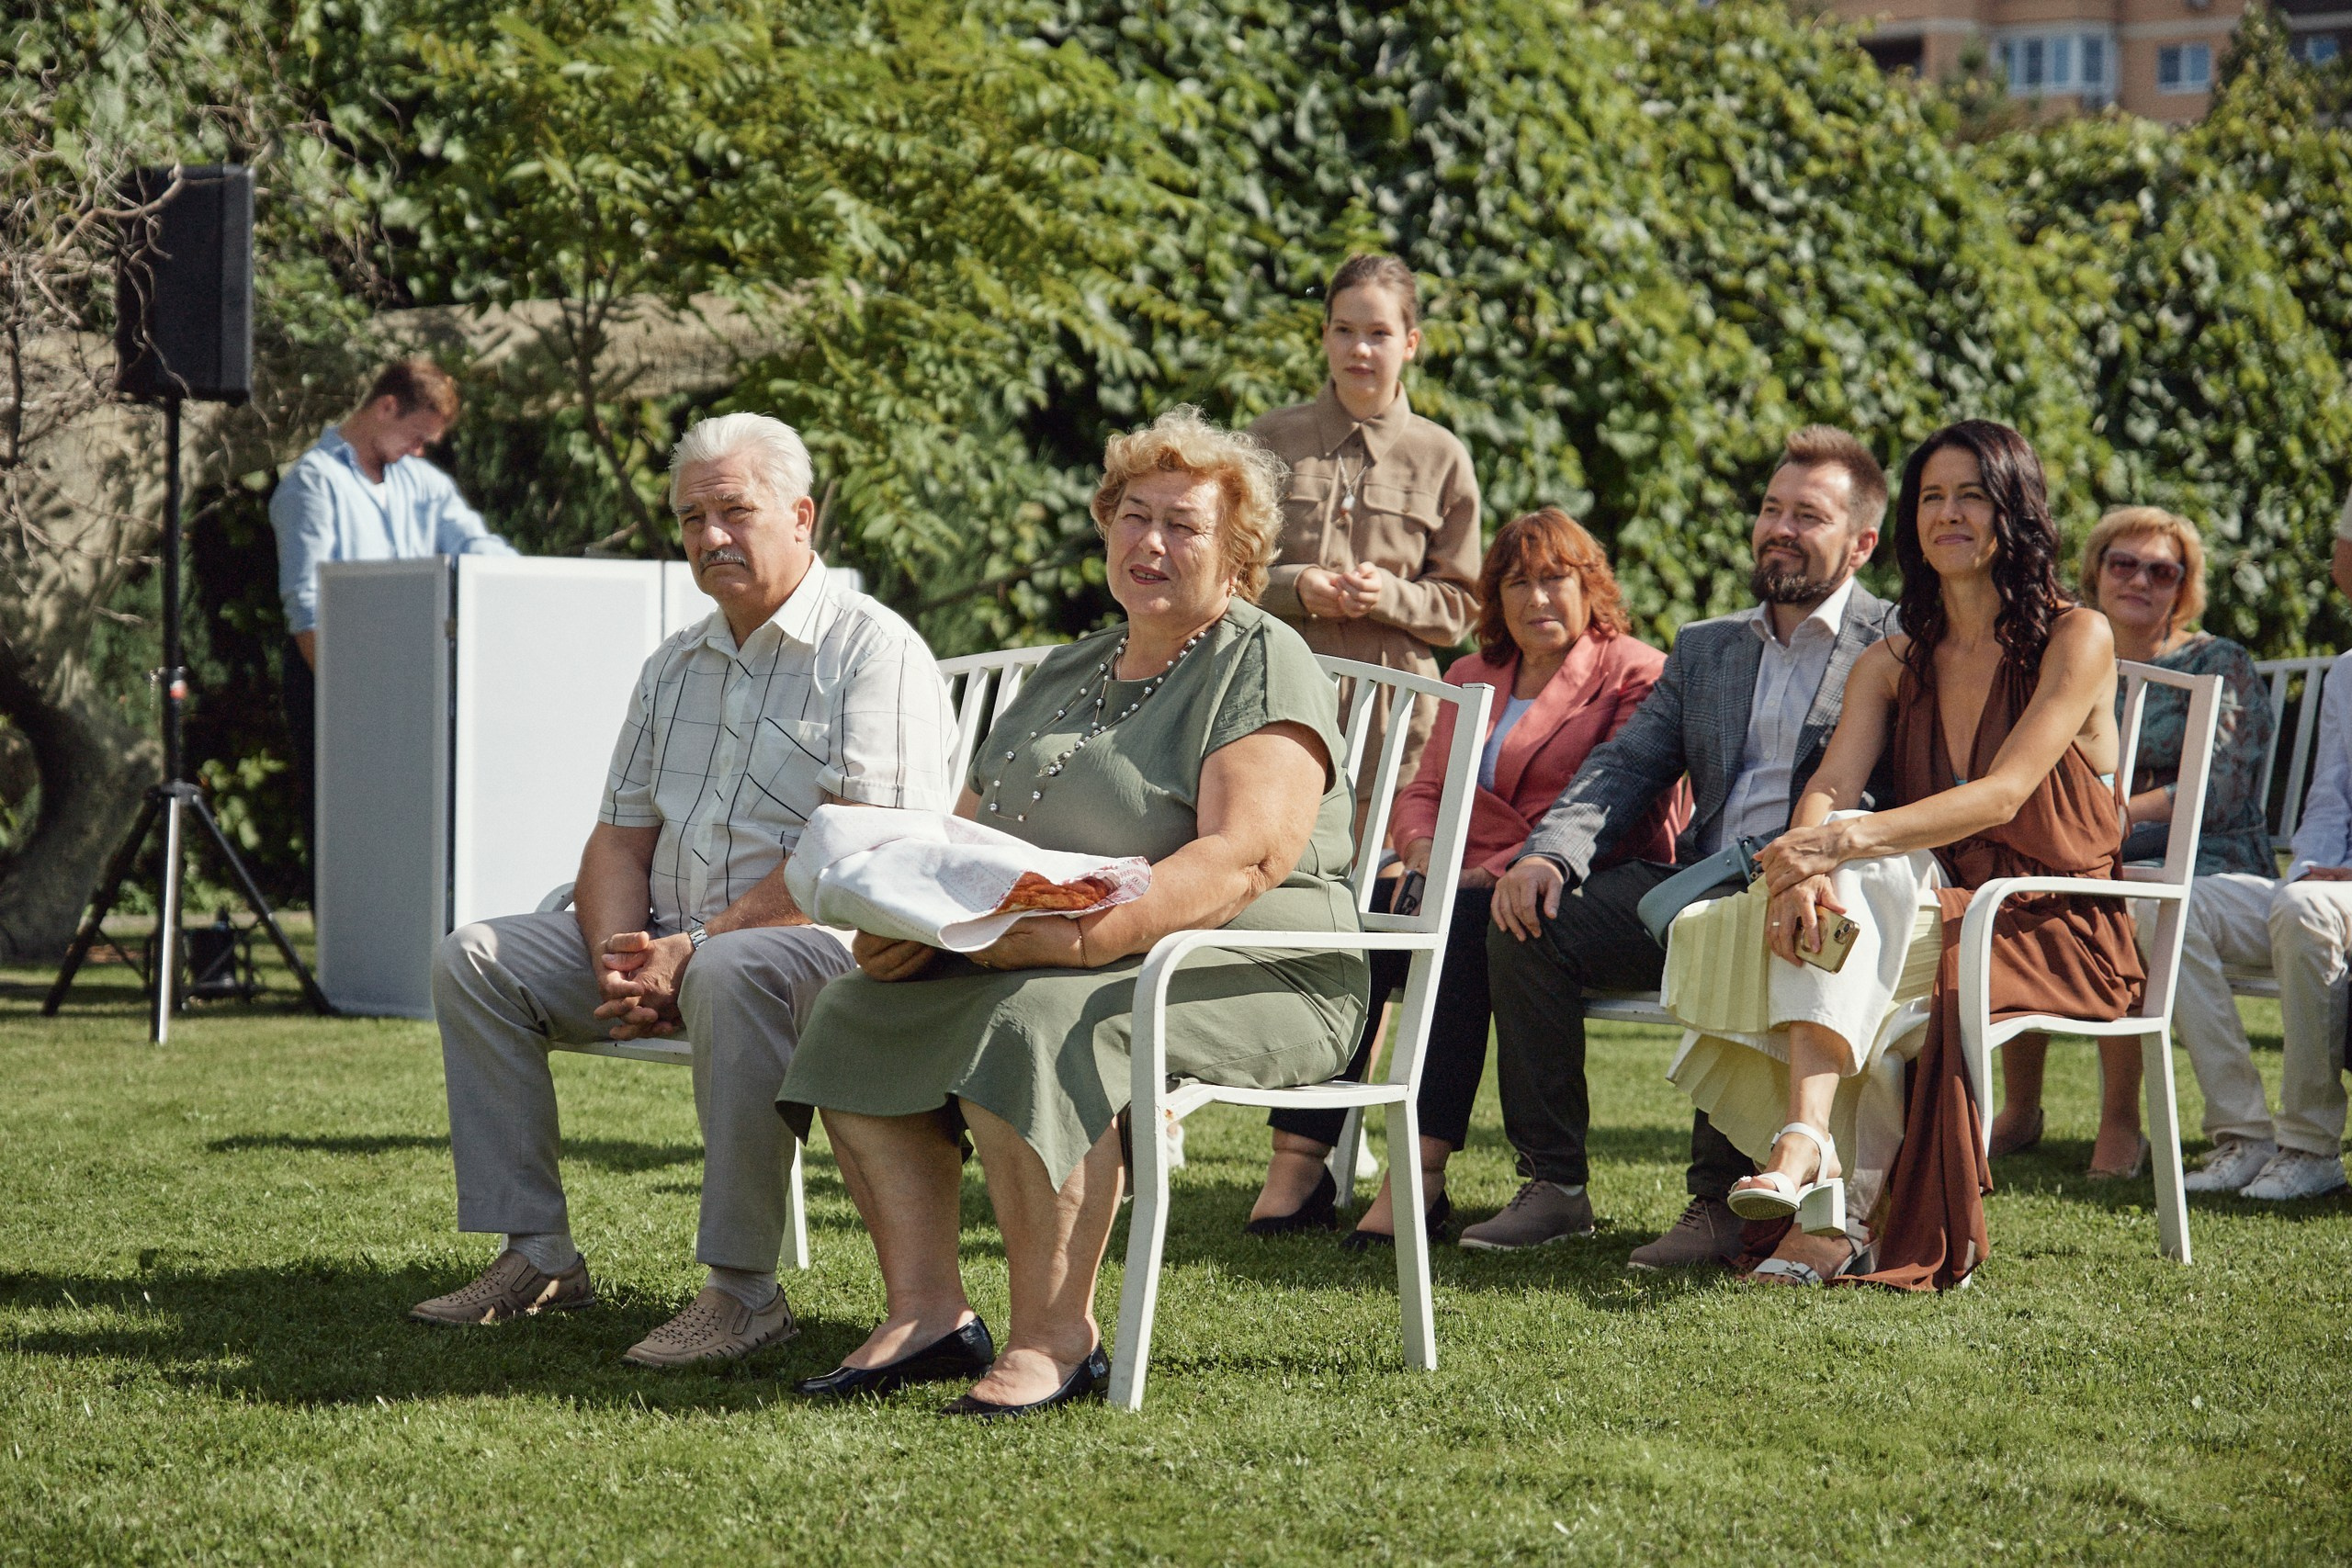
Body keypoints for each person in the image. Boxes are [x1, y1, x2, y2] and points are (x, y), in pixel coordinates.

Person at [776, 406, 1367, 1416]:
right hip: (1051, 953)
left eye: (1183, 526)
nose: (1150, 543)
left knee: (1039, 1022)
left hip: (1254, 964)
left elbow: (1243, 858)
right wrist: (911, 922)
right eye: (1133, 517)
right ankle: (925, 1316)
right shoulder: (1066, 669)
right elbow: (960, 842)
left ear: (1237, 552)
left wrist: (1088, 937)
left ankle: (1056, 1339)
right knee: (852, 1013)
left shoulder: (1258, 659)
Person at [409, 413, 959, 1368]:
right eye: (690, 517)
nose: (710, 537)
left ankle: (743, 1294)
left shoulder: (874, 650)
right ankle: (536, 1254)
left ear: (801, 515)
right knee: (479, 957)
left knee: (732, 970)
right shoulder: (674, 662)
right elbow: (619, 837)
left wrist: (693, 949)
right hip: (675, 942)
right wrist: (622, 958)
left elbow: (865, 852)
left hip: (829, 950)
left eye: (734, 512)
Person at [1684, 418, 2144, 1289]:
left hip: (2052, 921)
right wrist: (1809, 860)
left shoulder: (2075, 638)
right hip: (1939, 909)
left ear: (2016, 509)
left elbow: (2004, 795)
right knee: (1863, 905)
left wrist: (1838, 840)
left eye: (1973, 494)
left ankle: (1827, 1197)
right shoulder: (1892, 658)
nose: (1950, 513)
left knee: (1873, 906)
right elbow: (1829, 782)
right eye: (1933, 496)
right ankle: (1812, 1154)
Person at [1463, 426, 1894, 1263]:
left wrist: (1819, 858)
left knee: (1753, 926)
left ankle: (1719, 1205)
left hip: (1826, 888)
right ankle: (1554, 1184)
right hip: (1702, 879)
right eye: (1772, 508)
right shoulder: (1707, 646)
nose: (1780, 528)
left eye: (1809, 515)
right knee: (1528, 918)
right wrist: (1549, 854)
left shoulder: (1896, 641)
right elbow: (1622, 765)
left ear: (1862, 542)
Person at [1243, 507, 1689, 1245]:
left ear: (1592, 588)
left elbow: (1614, 804)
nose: (1536, 598)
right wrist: (1421, 849)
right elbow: (1424, 790)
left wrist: (1486, 867)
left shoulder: (1635, 672)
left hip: (1569, 880)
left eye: (1555, 579)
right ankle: (1299, 1159)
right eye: (1517, 582)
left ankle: (1418, 1173)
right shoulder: (1470, 673)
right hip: (1452, 871)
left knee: (1452, 926)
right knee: (1356, 917)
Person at [1988, 509, 2275, 1179]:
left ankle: (2123, 1123)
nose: (2140, 579)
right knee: (2017, 886)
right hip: (2085, 851)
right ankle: (2021, 1108)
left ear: (2184, 586)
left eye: (2162, 570)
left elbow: (2220, 791)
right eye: (2123, 564)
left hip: (2211, 867)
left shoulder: (2218, 662)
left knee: (2121, 897)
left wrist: (2112, 816)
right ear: (2095, 570)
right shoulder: (2063, 649)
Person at [1248, 253, 1481, 793]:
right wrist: (1295, 586)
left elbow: (1461, 606)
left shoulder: (1442, 457)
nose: (1360, 349)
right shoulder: (1267, 441)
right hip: (1268, 699)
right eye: (1345, 330)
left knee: (1371, 873)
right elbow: (1218, 574)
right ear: (1324, 335)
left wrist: (1388, 595)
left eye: (1379, 333)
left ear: (1411, 343)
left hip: (1392, 726)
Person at [269, 358, 514, 856]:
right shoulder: (311, 483)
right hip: (334, 678)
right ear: (385, 407)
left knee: (410, 835)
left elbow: (479, 545)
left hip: (413, 682)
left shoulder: (422, 482)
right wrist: (351, 703)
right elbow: (307, 608)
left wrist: (522, 580)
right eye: (417, 436)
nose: (420, 451)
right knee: (345, 833)